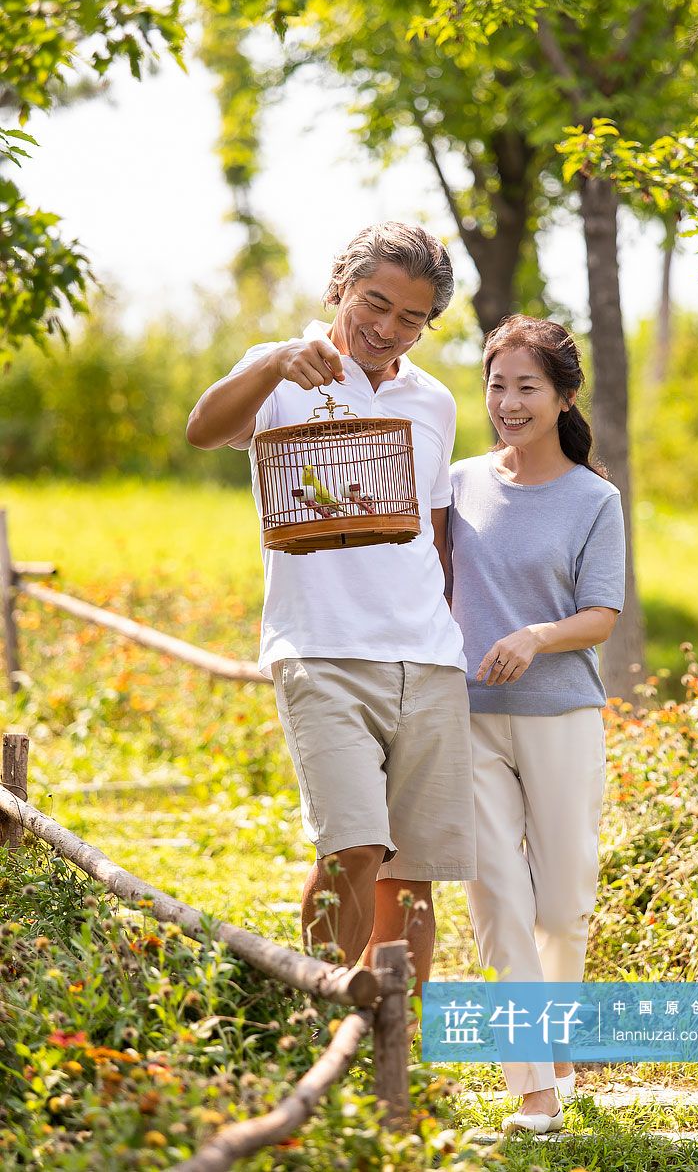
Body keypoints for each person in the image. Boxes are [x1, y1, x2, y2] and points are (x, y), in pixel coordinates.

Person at [186, 222, 476, 991]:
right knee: (351, 849)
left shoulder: (434, 401)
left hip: (427, 657)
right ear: (339, 289)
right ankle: (310, 1015)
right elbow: (203, 429)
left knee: (409, 877)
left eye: (410, 317)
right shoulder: (279, 368)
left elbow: (437, 535)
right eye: (374, 303)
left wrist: (450, 634)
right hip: (321, 649)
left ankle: (392, 1060)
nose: (386, 329)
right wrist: (277, 362)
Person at [446, 315, 625, 1134]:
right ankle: (535, 1089)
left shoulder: (594, 498)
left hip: (561, 715)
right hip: (469, 717)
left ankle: (554, 1050)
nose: (507, 402)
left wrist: (535, 634)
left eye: (526, 386)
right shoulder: (457, 483)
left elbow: (600, 614)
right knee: (498, 902)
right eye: (496, 384)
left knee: (562, 904)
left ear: (561, 397)